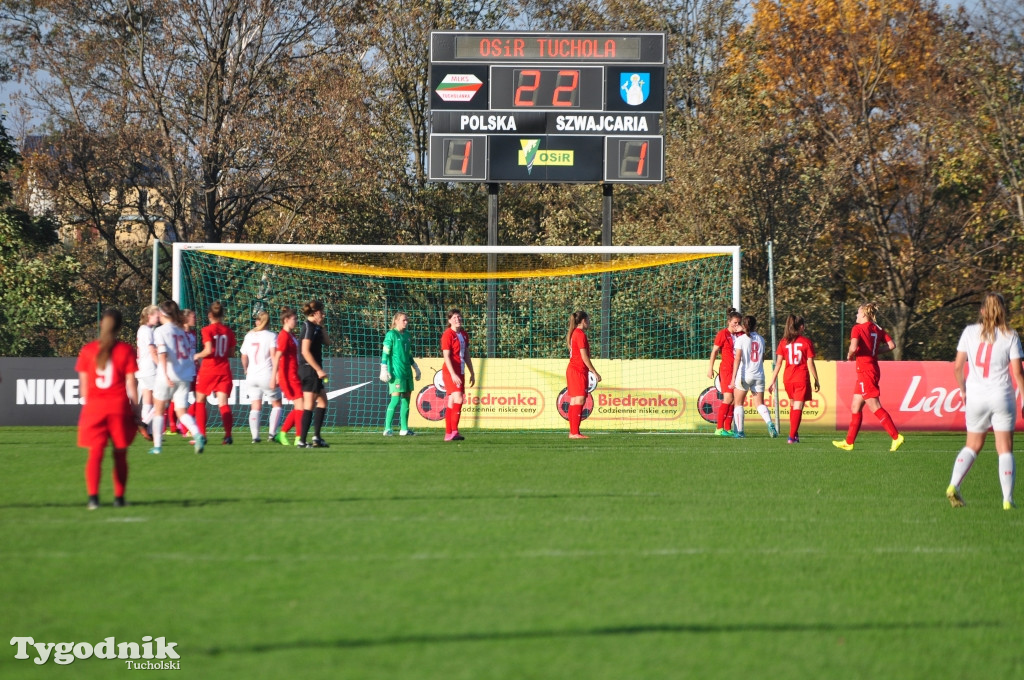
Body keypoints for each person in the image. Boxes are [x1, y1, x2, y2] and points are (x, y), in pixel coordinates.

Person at [946, 293, 1023, 510]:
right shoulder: (1010, 335)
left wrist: (962, 390)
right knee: (1005, 449)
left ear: (981, 311)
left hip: (976, 397)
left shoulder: (969, 332)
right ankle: (1007, 499)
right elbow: (1018, 373)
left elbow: (958, 366)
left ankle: (954, 485)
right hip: (1001, 396)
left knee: (972, 445)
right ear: (1003, 312)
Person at [76, 308, 141, 509]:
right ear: (120, 327)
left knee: (95, 453)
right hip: (118, 407)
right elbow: (131, 384)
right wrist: (136, 412)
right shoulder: (125, 350)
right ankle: (119, 499)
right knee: (120, 454)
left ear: (100, 325)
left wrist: (93, 404)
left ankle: (93, 499)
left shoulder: (88, 350)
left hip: (94, 408)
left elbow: (84, 389)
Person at [832, 302, 904, 451]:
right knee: (855, 406)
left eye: (858, 313)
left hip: (865, 371)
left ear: (864, 314)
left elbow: (853, 347)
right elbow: (892, 345)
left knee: (874, 406)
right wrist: (874, 351)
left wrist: (850, 355)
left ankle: (896, 436)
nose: (856, 316)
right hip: (870, 369)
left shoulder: (857, 328)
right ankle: (849, 442)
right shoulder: (877, 328)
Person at [150, 300, 205, 455]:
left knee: (159, 411)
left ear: (162, 314)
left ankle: (157, 447)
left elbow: (162, 353)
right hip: (185, 375)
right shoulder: (182, 331)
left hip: (168, 374)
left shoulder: (160, 331)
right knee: (182, 412)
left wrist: (165, 374)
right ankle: (197, 434)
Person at [767, 314, 821, 443]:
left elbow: (778, 363)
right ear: (801, 327)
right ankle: (791, 437)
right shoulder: (806, 342)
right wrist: (816, 379)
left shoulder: (783, 342)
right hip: (801, 377)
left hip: (788, 378)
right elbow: (810, 363)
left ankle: (795, 435)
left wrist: (772, 380)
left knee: (793, 405)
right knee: (798, 407)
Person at [194, 302, 237, 445]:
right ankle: (228, 436)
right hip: (224, 369)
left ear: (210, 315)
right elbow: (231, 353)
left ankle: (202, 435)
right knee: (223, 403)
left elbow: (208, 350)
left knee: (200, 400)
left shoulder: (207, 330)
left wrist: (197, 355)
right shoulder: (228, 331)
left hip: (209, 369)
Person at [730, 315, 777, 438]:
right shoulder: (761, 339)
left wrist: (733, 378)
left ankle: (740, 432)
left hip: (745, 375)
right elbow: (761, 359)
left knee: (738, 403)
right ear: (756, 326)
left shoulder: (740, 340)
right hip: (759, 375)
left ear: (744, 325)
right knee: (760, 403)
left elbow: (737, 359)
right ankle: (770, 423)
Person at [240, 311, 284, 444]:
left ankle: (255, 437)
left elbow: (243, 355)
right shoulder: (271, 336)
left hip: (252, 375)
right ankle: (271, 434)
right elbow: (273, 355)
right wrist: (276, 374)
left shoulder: (249, 336)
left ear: (259, 321)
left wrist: (246, 370)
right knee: (276, 404)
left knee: (255, 406)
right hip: (267, 374)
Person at [380, 312, 421, 436]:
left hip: (406, 372)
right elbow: (385, 353)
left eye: (407, 320)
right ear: (396, 321)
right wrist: (384, 368)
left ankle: (404, 429)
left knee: (406, 400)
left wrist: (415, 367)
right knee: (395, 399)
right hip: (396, 373)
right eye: (404, 320)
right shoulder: (391, 334)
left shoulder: (407, 335)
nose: (406, 322)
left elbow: (408, 354)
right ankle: (387, 428)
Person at [297, 300, 330, 448]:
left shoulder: (316, 327)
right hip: (309, 369)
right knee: (309, 404)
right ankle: (302, 441)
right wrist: (318, 369)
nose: (323, 314)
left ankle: (316, 437)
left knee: (322, 401)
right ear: (314, 312)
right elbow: (304, 351)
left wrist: (321, 326)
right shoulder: (308, 326)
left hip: (311, 369)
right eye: (321, 311)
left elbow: (328, 342)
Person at [565, 310, 601, 439]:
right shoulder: (580, 334)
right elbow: (584, 357)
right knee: (579, 399)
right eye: (589, 320)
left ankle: (573, 432)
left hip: (574, 370)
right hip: (577, 370)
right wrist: (594, 372)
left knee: (576, 400)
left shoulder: (575, 333)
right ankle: (574, 433)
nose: (590, 322)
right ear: (584, 321)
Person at [708, 308, 744, 436]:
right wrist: (710, 367)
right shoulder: (722, 334)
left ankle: (727, 428)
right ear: (729, 322)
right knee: (728, 398)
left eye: (739, 323)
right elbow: (714, 351)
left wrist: (744, 330)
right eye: (735, 322)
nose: (737, 325)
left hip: (738, 370)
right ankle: (718, 428)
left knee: (735, 400)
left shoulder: (741, 334)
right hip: (727, 370)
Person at [441, 308, 475, 441]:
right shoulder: (447, 335)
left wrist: (471, 372)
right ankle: (454, 431)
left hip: (460, 371)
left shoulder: (464, 334)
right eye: (454, 317)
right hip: (451, 372)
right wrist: (453, 374)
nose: (457, 319)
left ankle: (448, 434)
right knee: (459, 398)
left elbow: (466, 354)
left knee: (451, 400)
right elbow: (446, 356)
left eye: (459, 317)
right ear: (449, 321)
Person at [274, 307, 302, 446]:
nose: (296, 321)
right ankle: (298, 438)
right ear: (286, 320)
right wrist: (275, 376)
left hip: (295, 374)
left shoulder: (292, 336)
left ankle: (282, 434)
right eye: (294, 319)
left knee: (299, 407)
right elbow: (277, 356)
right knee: (301, 406)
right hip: (288, 376)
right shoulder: (284, 336)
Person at [135, 305, 160, 441]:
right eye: (156, 315)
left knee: (147, 401)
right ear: (149, 316)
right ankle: (144, 424)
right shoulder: (148, 331)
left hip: (142, 369)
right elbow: (152, 351)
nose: (158, 317)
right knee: (163, 400)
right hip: (150, 369)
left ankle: (149, 432)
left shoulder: (143, 330)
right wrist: (161, 366)